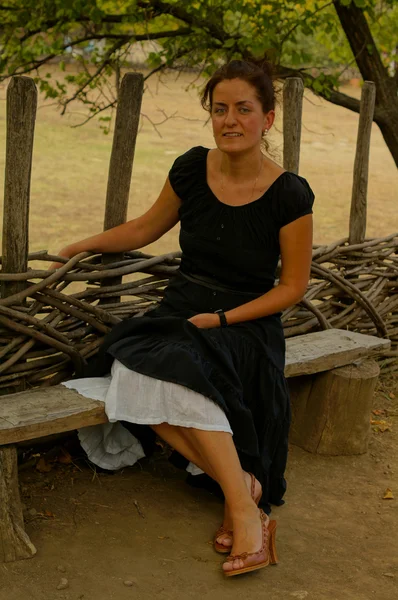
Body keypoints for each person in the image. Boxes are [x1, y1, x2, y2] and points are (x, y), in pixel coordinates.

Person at [52, 59, 314, 577]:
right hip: (181, 308)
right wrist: (78, 247)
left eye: (244, 108)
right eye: (220, 109)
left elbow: (292, 287)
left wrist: (219, 319)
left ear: (268, 116)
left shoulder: (289, 194)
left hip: (245, 323)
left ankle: (242, 512)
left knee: (180, 374)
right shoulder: (192, 168)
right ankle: (244, 487)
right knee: (129, 371)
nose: (230, 120)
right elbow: (144, 228)